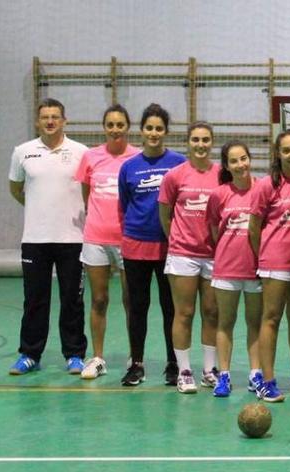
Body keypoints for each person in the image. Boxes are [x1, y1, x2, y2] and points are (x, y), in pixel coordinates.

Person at [8, 98, 89, 376]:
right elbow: (16, 189)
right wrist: (39, 209)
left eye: (55, 116)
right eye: (45, 117)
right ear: (37, 121)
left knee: (72, 300)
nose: (50, 121)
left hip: (73, 239)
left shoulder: (81, 152)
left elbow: (90, 190)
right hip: (35, 239)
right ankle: (29, 354)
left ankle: (75, 354)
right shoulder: (23, 152)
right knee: (34, 299)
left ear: (64, 120)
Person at [117, 103, 185, 386]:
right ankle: (137, 364)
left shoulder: (179, 163)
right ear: (141, 131)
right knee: (138, 306)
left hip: (170, 248)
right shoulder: (128, 167)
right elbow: (124, 205)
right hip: (136, 246)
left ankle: (173, 364)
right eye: (149, 128)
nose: (154, 133)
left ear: (166, 131)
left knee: (171, 307)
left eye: (159, 128)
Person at [74, 104, 139, 379]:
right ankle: (98, 358)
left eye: (120, 124)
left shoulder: (136, 157)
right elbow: (86, 194)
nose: (115, 129)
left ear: (127, 126)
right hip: (96, 239)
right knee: (99, 299)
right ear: (104, 127)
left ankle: (135, 358)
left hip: (128, 239)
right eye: (110, 124)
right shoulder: (91, 157)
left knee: (130, 300)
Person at [158, 121, 220, 393]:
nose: (201, 145)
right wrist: (177, 240)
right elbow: (164, 213)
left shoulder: (222, 174)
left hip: (215, 255)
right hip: (183, 255)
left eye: (206, 140)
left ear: (212, 142)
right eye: (196, 140)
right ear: (188, 142)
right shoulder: (175, 175)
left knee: (211, 312)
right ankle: (184, 370)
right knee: (184, 312)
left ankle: (209, 369)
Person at [249, 130, 290, 402]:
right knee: (271, 318)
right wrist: (263, 257)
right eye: (287, 150)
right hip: (274, 262)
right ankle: (267, 380)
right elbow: (253, 228)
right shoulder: (266, 185)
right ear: (278, 154)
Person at [206, 141, 262, 397]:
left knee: (255, 323)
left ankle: (255, 374)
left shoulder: (263, 189)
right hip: (227, 268)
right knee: (225, 322)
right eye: (234, 161)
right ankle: (224, 375)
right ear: (227, 166)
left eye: (244, 159)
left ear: (250, 159)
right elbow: (215, 230)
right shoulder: (219, 194)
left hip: (256, 269)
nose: (241, 165)